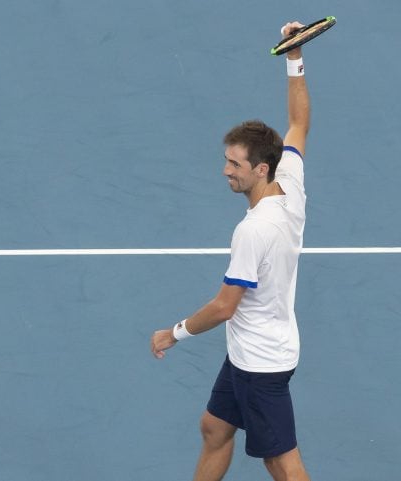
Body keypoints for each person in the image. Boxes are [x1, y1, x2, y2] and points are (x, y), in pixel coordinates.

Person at [150, 22, 312, 481]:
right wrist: (294, 57)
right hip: (249, 355)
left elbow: (224, 307)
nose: (225, 171)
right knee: (214, 428)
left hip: (261, 364)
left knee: (281, 461)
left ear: (261, 168)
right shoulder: (290, 180)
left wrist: (173, 333)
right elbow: (298, 122)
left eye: (234, 164)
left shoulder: (254, 231)